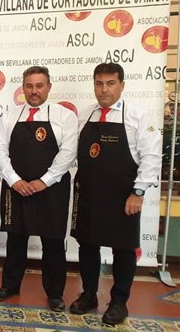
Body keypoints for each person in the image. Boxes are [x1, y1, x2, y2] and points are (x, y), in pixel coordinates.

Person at [69, 63, 161, 325]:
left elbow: (151, 158)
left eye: (110, 83)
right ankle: (89, 294)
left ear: (122, 85)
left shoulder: (138, 117)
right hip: (88, 192)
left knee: (123, 249)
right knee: (87, 245)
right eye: (99, 83)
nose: (104, 89)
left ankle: (119, 302)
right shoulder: (86, 116)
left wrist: (138, 191)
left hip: (124, 196)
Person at [0, 66, 78, 312]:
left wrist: (45, 180)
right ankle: (9, 286)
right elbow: (0, 150)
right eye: (29, 86)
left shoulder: (64, 116)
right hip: (16, 188)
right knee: (15, 240)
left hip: (51, 190)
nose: (34, 91)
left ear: (49, 87)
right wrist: (14, 179)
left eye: (39, 86)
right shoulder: (11, 115)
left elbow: (68, 152)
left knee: (52, 244)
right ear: (23, 88)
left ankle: (55, 294)